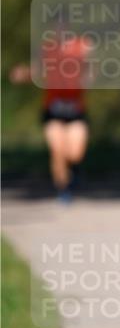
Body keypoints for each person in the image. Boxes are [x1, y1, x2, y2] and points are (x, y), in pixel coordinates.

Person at [10, 30, 91, 203]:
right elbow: (37, 72)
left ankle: (74, 170)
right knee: (58, 150)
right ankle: (64, 189)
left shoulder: (82, 45)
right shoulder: (47, 49)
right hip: (53, 110)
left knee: (75, 153)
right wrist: (23, 74)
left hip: (75, 109)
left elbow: (91, 71)